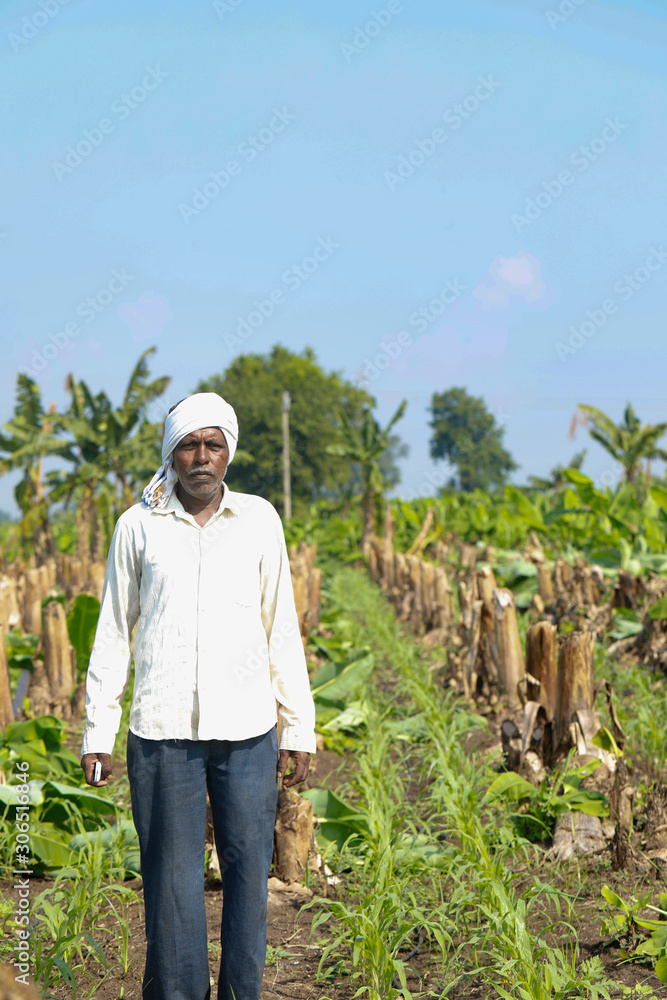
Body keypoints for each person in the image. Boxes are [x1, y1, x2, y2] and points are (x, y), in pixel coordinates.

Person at [80, 392, 316, 1000]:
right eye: (189, 445)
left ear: (229, 452)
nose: (202, 458)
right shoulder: (139, 526)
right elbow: (113, 630)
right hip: (162, 734)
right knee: (171, 883)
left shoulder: (260, 520)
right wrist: (97, 733)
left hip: (248, 733)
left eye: (214, 445)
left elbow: (280, 627)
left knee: (247, 876)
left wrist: (298, 728)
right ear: (172, 453)